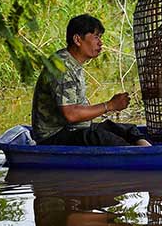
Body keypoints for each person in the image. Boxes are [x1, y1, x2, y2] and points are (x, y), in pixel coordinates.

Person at [31, 14, 151, 146]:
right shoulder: (61, 67)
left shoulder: (73, 62)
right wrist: (109, 106)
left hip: (75, 129)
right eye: (96, 37)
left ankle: (147, 152)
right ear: (77, 39)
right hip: (54, 136)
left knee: (129, 130)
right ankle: (141, 158)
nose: (100, 43)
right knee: (104, 139)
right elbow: (71, 114)